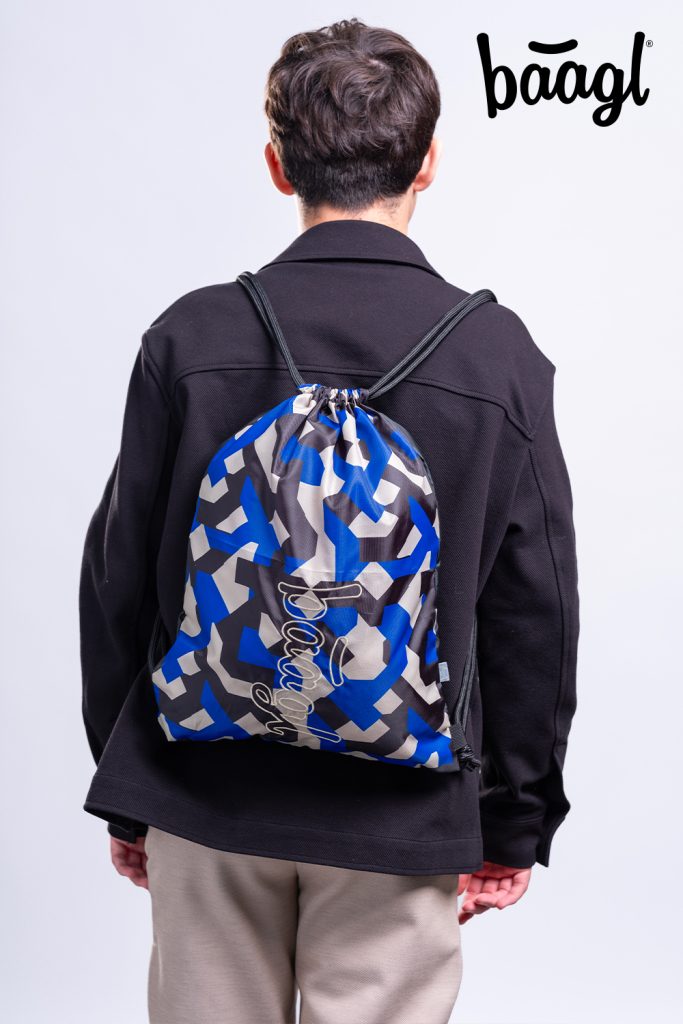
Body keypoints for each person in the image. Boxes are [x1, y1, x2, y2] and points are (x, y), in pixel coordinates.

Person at [79, 17, 579, 1024]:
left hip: (204, 790)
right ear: (426, 162)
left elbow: (117, 578)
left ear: (276, 164)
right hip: (403, 812)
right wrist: (511, 819)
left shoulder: (191, 335)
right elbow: (535, 610)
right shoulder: (496, 358)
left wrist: (130, 784)